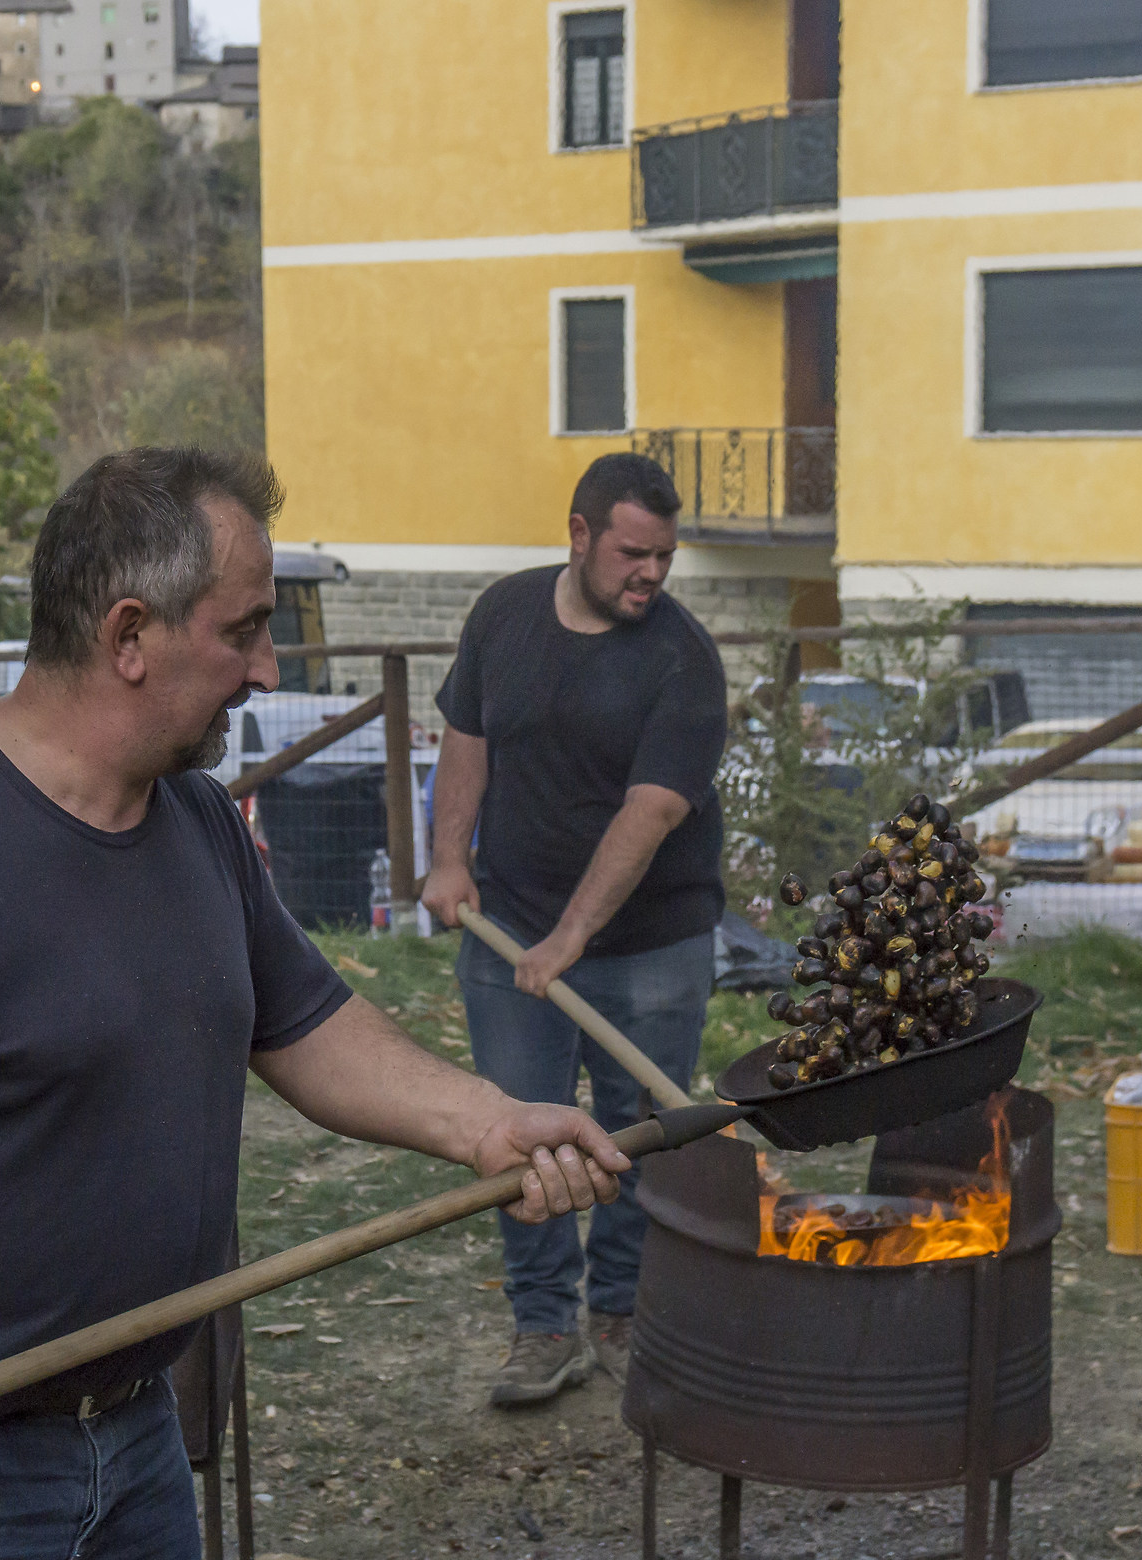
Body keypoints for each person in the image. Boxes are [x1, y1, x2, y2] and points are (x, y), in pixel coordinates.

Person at [0, 448, 633, 1559]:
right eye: (243, 631)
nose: (267, 670)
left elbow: (306, 1025)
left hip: (134, 1443)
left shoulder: (196, 819)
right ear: (129, 636)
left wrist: (488, 1123)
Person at [419, 451, 729, 1408]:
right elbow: (467, 740)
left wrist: (572, 937)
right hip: (509, 926)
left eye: (665, 556)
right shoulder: (502, 615)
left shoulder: (683, 659)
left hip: (652, 946)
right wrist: (449, 858)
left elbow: (652, 810)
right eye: (634, 553)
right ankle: (546, 1325)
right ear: (580, 535)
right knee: (522, 1137)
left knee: (639, 1134)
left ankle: (626, 1308)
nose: (652, 573)